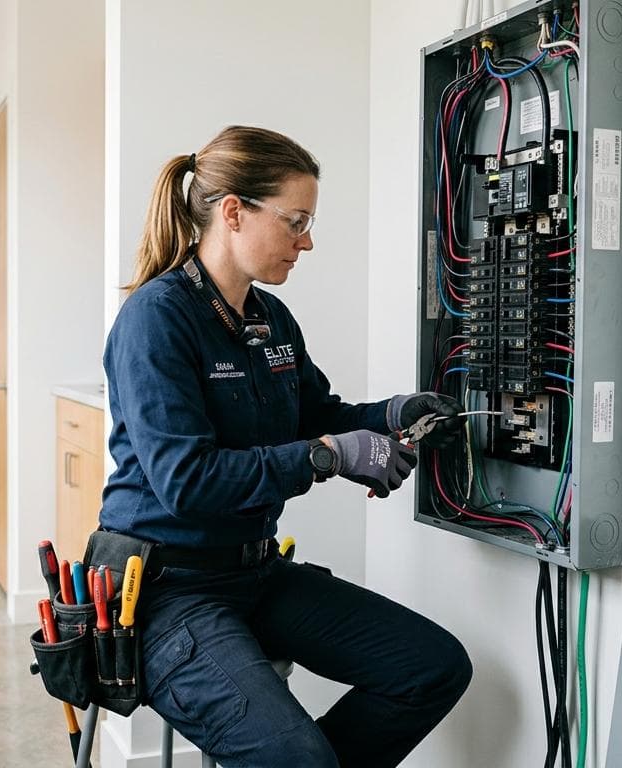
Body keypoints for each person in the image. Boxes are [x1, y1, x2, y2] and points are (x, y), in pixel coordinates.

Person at [94, 125, 472, 767]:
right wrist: (329, 456)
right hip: (165, 591)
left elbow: (316, 415)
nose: (307, 240)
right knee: (301, 761)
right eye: (295, 220)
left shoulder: (270, 318)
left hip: (255, 574)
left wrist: (391, 414)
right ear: (234, 212)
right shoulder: (156, 319)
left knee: (432, 668)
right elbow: (187, 481)